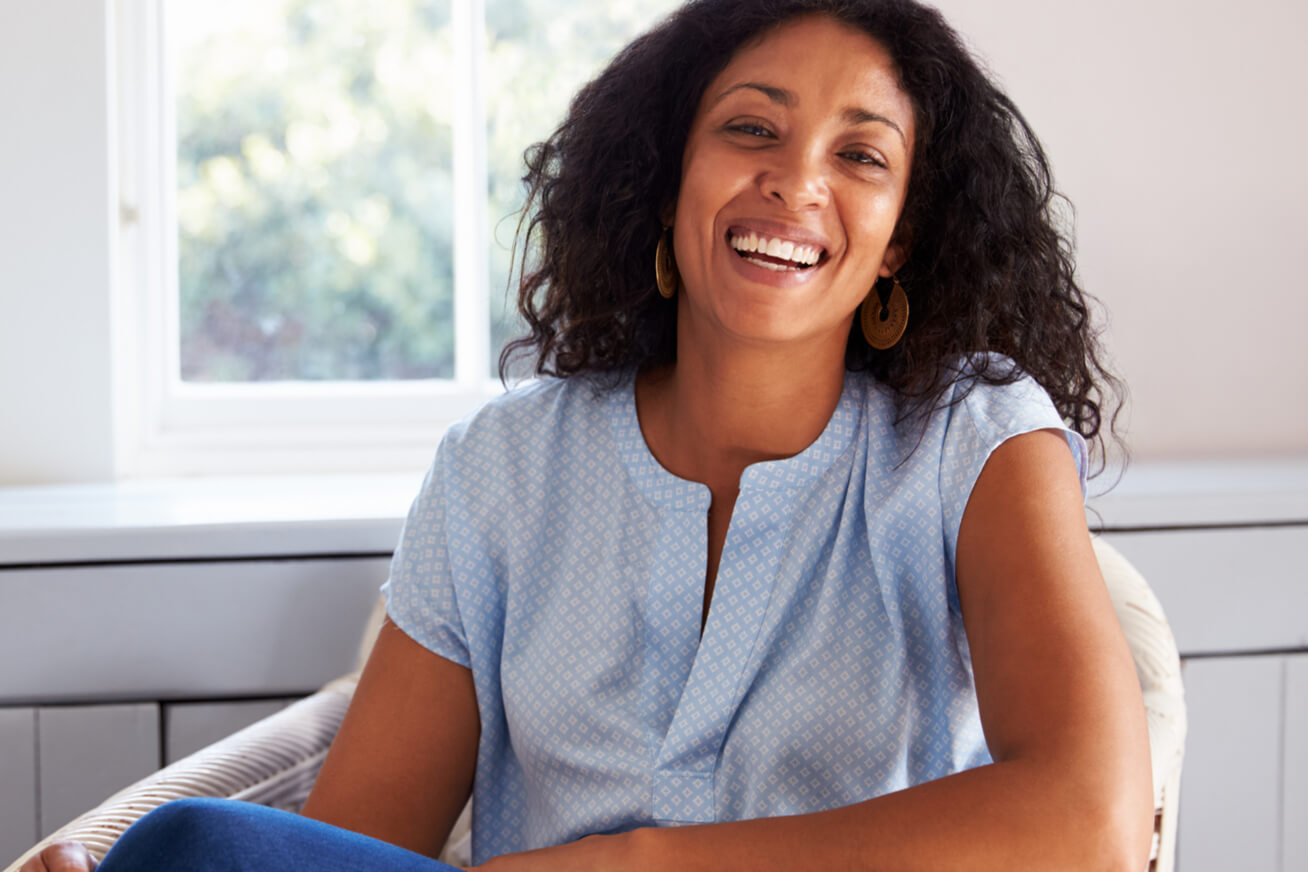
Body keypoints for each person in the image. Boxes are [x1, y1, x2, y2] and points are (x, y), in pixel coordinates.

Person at [26, 0, 1153, 869]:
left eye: (861, 155)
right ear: (666, 183)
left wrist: (636, 859)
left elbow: (1092, 817)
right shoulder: (505, 470)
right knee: (193, 851)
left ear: (901, 238)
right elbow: (359, 845)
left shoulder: (976, 435)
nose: (796, 180)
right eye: (750, 128)